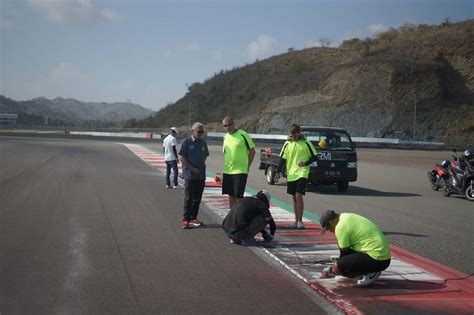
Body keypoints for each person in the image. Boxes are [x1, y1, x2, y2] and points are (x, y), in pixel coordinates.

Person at [319, 210, 391, 286]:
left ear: (331, 222)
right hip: (383, 257)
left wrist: (337, 269)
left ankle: (371, 272)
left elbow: (344, 251)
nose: (330, 231)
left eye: (328, 228)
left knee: (337, 267)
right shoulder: (346, 217)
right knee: (343, 264)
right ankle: (359, 272)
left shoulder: (340, 226)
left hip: (378, 260)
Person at [276, 124, 318, 229]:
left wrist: (305, 163)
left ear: (299, 133)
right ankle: (295, 221)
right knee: (294, 197)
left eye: (295, 135)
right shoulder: (287, 144)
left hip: (302, 172)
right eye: (291, 135)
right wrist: (278, 172)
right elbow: (282, 159)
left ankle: (300, 221)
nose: (293, 137)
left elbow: (315, 156)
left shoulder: (306, 143)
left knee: (299, 194)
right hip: (291, 174)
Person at [178, 122, 209, 229]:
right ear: (193, 131)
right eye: (198, 131)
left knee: (198, 198)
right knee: (189, 198)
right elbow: (181, 157)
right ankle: (186, 219)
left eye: (202, 132)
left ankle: (193, 217)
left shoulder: (203, 143)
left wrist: (199, 167)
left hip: (201, 175)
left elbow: (205, 156)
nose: (200, 133)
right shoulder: (186, 142)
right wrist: (192, 168)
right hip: (190, 175)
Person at [222, 116, 256, 209]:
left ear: (234, 124)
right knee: (231, 195)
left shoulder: (243, 134)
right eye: (225, 126)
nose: (228, 127)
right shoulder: (225, 137)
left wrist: (247, 166)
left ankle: (240, 218)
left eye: (229, 125)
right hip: (228, 171)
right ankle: (232, 217)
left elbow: (252, 151)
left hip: (240, 171)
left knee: (239, 197)